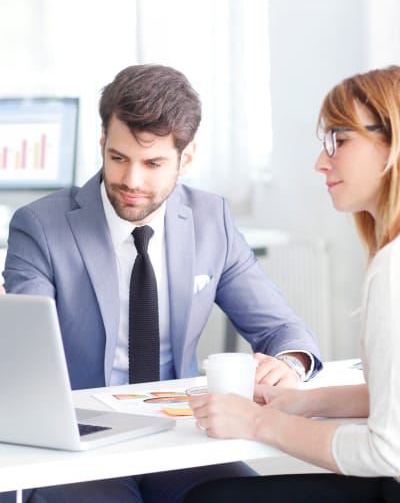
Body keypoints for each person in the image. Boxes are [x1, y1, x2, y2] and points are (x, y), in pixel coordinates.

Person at [3, 64, 321, 503]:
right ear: (102, 144)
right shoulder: (40, 226)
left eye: (153, 163)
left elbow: (283, 330)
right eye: (118, 158)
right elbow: (25, 357)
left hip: (179, 437)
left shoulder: (212, 221)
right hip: (80, 442)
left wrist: (290, 361)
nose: (132, 181)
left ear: (185, 158)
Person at [185, 65, 400, 503]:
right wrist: (307, 403)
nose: (322, 162)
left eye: (340, 141)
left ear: (391, 142)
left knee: (212, 499)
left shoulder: (392, 268)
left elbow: (387, 450)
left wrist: (258, 422)